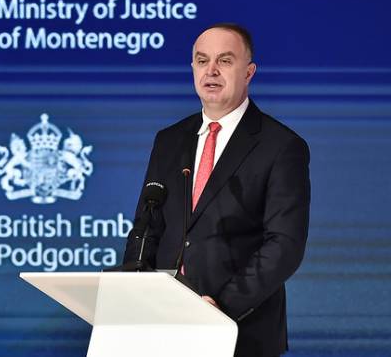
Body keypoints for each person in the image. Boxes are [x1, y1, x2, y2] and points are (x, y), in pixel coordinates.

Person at [122, 23, 310, 357]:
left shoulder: (281, 146)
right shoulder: (169, 141)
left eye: (224, 60)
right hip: (164, 328)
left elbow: (284, 245)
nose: (211, 70)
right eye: (202, 60)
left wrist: (221, 305)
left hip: (240, 331)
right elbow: (148, 225)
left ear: (249, 72)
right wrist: (133, 295)